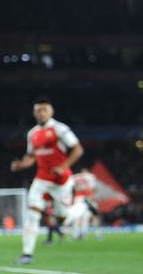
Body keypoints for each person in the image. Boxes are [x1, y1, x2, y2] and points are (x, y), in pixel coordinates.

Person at [10, 96, 84, 264]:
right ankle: (27, 254)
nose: (41, 113)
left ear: (51, 111)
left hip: (61, 181)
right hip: (41, 179)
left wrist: (63, 166)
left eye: (44, 110)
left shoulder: (60, 129)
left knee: (61, 218)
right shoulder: (32, 134)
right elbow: (31, 156)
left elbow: (78, 150)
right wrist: (22, 165)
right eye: (38, 110)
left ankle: (81, 207)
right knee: (32, 213)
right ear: (34, 113)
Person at [63, 167, 99, 240]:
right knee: (83, 218)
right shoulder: (90, 177)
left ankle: (77, 234)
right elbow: (91, 189)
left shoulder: (75, 178)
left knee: (79, 218)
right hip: (85, 199)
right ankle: (81, 234)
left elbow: (72, 189)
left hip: (80, 199)